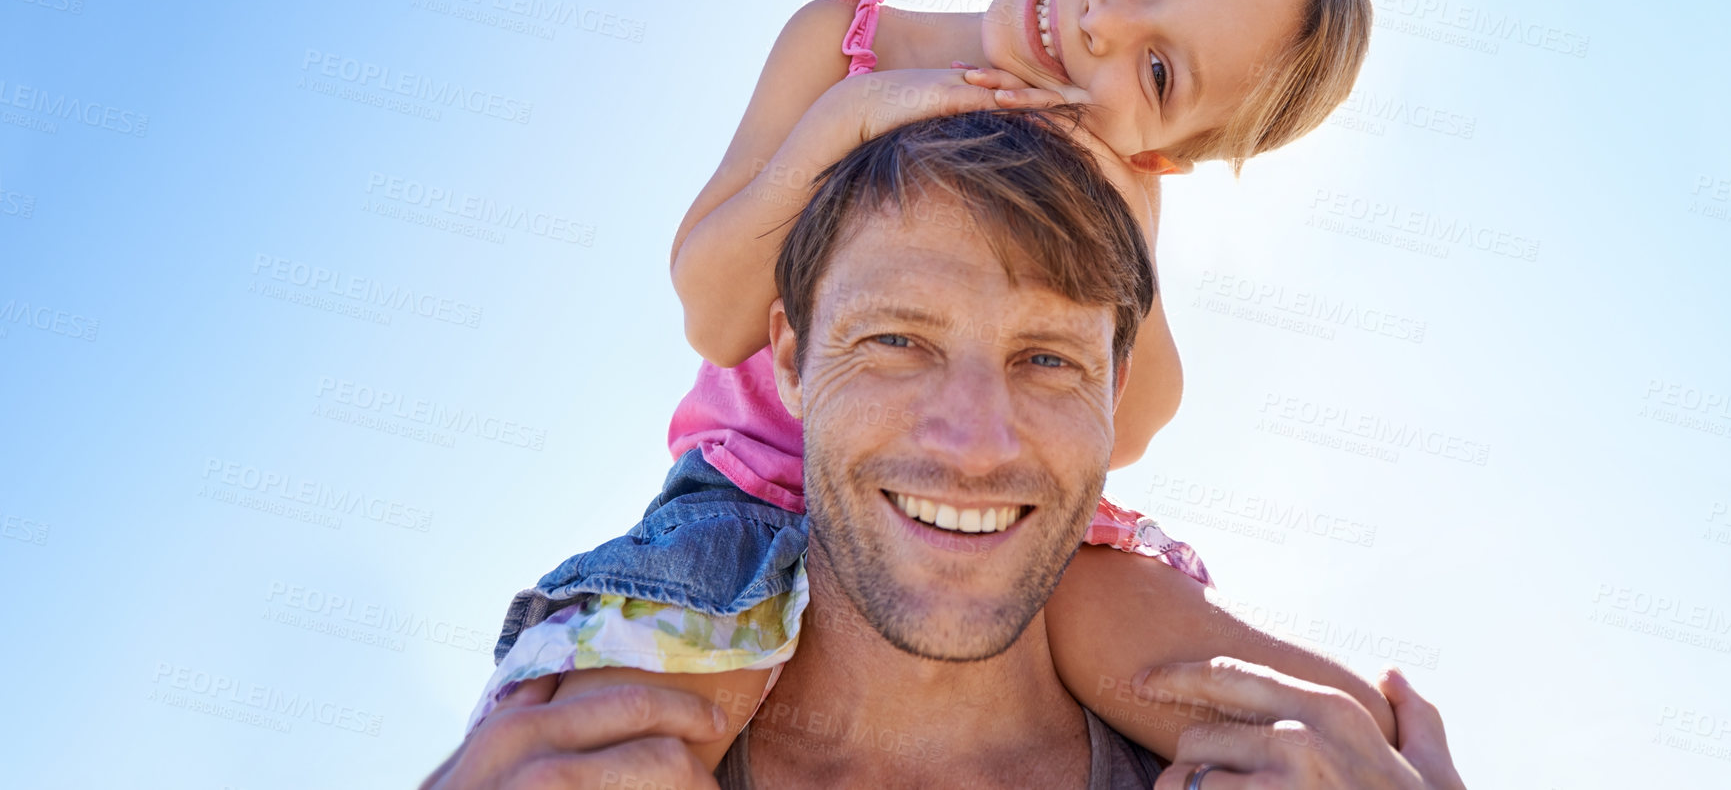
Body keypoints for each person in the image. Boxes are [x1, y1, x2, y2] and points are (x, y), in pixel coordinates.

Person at [473, 0, 1385, 765]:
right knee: (621, 733)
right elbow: (714, 315)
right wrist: (847, 119)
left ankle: (1397, 747)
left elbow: (1134, 420)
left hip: (1006, 518)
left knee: (1251, 695)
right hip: (748, 493)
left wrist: (1119, 211)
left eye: (1154, 71)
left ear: (1159, 150)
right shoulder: (845, 45)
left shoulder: (1113, 173)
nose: (1103, 24)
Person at [422, 112, 1467, 790]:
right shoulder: (580, 743)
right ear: (790, 359)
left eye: (1048, 359)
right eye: (896, 342)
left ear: (1116, 386)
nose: (973, 443)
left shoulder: (1265, 765)